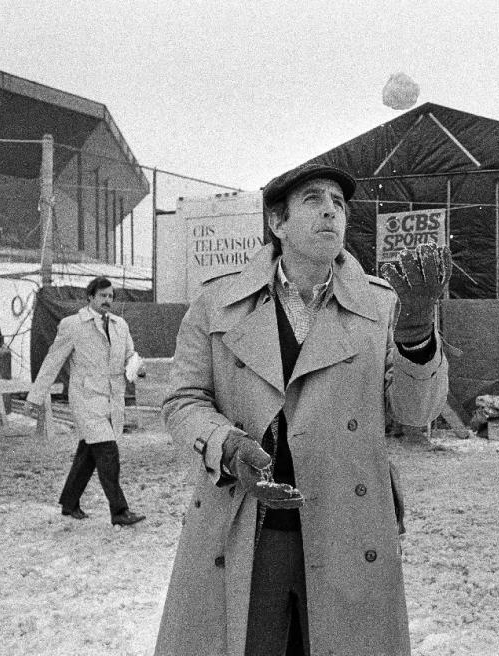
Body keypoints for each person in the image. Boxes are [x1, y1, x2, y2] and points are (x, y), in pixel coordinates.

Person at [154, 163, 450, 656]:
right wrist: (227, 446)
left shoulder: (383, 306)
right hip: (247, 523)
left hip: (347, 527)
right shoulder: (216, 304)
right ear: (277, 222)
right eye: (313, 200)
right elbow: (183, 400)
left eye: (339, 203)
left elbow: (415, 414)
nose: (331, 211)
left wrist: (417, 337)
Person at [26, 276, 146, 527]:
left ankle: (69, 503)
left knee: (89, 452)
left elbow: (129, 354)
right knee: (107, 451)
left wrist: (136, 366)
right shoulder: (72, 325)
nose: (107, 301)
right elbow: (52, 361)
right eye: (102, 296)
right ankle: (119, 511)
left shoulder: (120, 325)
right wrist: (36, 397)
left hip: (112, 398)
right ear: (90, 297)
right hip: (86, 399)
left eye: (111, 296)